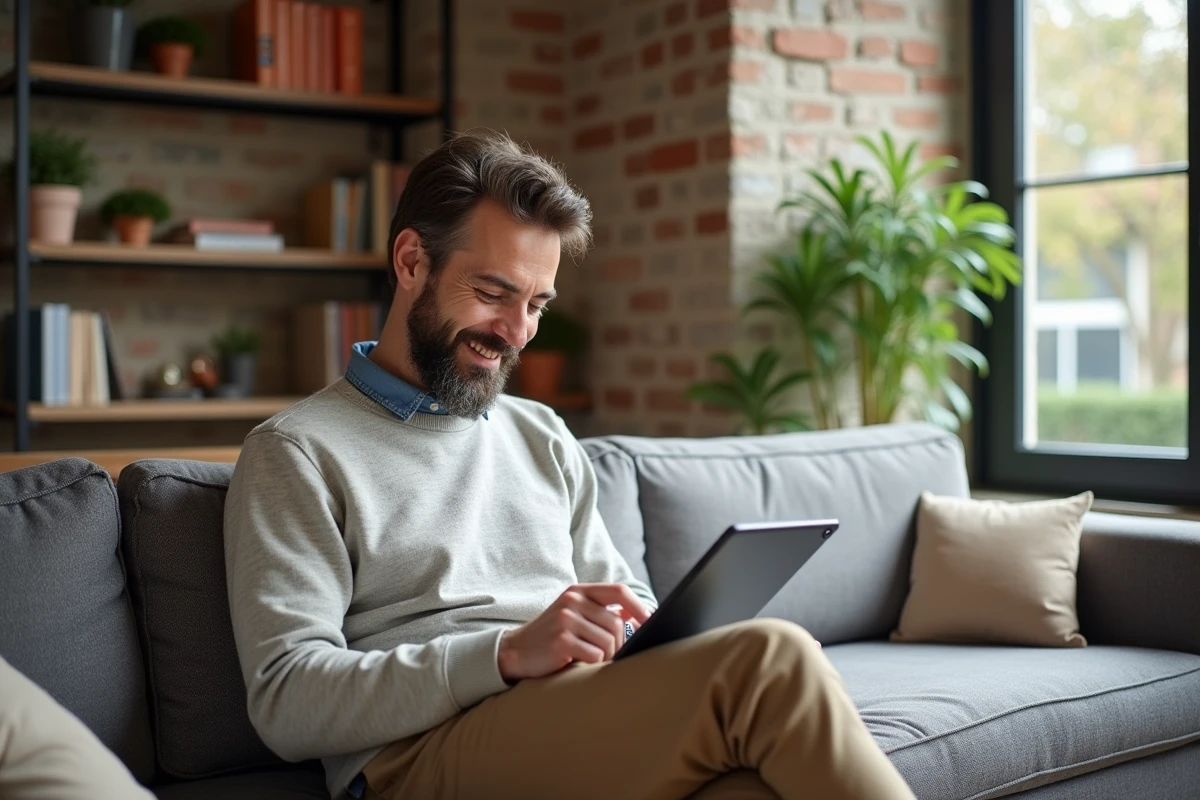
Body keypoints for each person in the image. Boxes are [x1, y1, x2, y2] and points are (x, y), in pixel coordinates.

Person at [224, 129, 916, 800]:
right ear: (411, 262)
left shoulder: (542, 435)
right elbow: (288, 699)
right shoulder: (297, 451)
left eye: (537, 305)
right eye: (494, 293)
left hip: (574, 714)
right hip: (421, 751)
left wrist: (641, 628)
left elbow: (620, 593)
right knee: (771, 658)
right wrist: (502, 656)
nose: (517, 332)